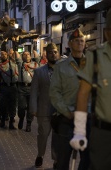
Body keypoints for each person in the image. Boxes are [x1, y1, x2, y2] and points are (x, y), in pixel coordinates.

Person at [70, 8, 111, 170]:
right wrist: (79, 130)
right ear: (107, 32)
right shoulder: (94, 57)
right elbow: (83, 93)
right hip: (103, 133)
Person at [49, 28, 89, 170]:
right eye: (76, 41)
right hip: (67, 118)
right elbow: (54, 93)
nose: (79, 43)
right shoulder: (61, 67)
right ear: (70, 44)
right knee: (63, 160)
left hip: (87, 119)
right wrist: (67, 112)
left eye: (82, 41)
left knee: (88, 160)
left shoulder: (93, 64)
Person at [29, 43, 63, 168]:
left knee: (57, 137)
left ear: (58, 53)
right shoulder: (39, 72)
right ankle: (40, 154)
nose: (53, 54)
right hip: (43, 109)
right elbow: (33, 91)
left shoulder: (63, 70)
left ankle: (55, 160)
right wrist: (33, 108)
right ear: (46, 54)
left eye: (55, 52)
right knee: (43, 135)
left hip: (59, 111)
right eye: (50, 52)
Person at [17, 50, 39, 132]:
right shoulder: (20, 64)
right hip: (22, 88)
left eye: (28, 54)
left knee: (30, 107)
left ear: (31, 56)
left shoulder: (35, 64)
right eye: (24, 55)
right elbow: (16, 55)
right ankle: (21, 118)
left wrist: (35, 49)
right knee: (21, 106)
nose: (26, 56)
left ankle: (29, 123)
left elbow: (37, 58)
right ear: (22, 57)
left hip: (31, 88)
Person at [0, 50, 18, 129]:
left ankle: (11, 122)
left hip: (13, 86)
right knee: (3, 105)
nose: (4, 55)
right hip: (4, 87)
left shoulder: (13, 64)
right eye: (2, 54)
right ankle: (2, 120)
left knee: (13, 105)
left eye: (5, 54)